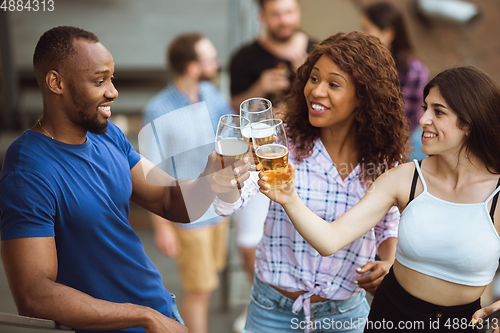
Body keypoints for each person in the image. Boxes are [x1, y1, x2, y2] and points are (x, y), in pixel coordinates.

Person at [0, 26, 248, 333]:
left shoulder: (109, 136)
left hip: (161, 311)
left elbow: (168, 199)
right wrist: (143, 317)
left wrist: (208, 182)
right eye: (99, 80)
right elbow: (34, 294)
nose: (113, 91)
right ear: (56, 83)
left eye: (112, 78)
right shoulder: (27, 169)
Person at [259, 66, 500, 332]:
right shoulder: (404, 178)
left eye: (438, 112)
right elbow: (330, 240)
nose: (423, 120)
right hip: (390, 318)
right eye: (425, 108)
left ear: (468, 123)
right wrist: (289, 198)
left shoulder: (496, 195)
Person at [215, 31, 409, 332]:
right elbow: (229, 204)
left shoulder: (385, 162)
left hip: (346, 315)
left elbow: (388, 227)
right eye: (314, 78)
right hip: (272, 313)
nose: (316, 91)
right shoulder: (281, 144)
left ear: (365, 96)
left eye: (333, 84)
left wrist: (388, 263)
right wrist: (226, 180)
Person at [229, 3, 316, 330]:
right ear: (262, 16)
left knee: (303, 232)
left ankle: (303, 303)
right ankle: (263, 298)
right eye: (277, 13)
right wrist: (260, 87)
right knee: (249, 237)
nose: (285, 19)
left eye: (290, 11)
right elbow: (233, 107)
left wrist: (309, 74)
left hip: (305, 157)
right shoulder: (245, 57)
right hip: (258, 159)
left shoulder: (317, 51)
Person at [142, 32, 234, 333]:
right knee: (198, 291)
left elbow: (230, 134)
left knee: (206, 283)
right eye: (210, 59)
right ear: (193, 67)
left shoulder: (213, 95)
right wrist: (162, 226)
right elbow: (151, 170)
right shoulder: (158, 109)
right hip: (187, 216)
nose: (217, 63)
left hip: (217, 212)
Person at [360, 2, 429, 161]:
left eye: (367, 29)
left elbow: (408, 120)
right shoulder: (364, 62)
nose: (362, 35)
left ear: (388, 33)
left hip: (404, 146)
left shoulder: (414, 70)